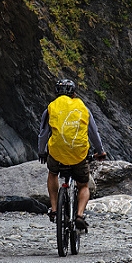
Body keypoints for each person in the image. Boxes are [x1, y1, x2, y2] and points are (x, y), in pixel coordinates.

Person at [37, 78, 106, 233]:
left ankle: (54, 208)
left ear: (56, 94)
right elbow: (93, 133)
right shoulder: (82, 108)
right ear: (74, 94)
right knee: (83, 185)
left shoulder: (51, 108)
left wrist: (42, 151)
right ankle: (80, 215)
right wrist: (100, 151)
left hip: (57, 153)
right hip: (79, 154)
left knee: (53, 173)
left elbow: (43, 134)